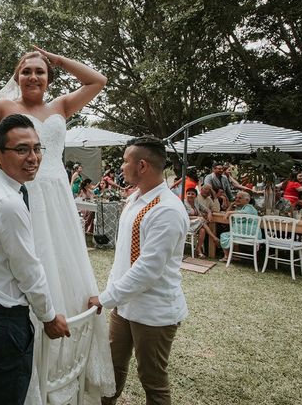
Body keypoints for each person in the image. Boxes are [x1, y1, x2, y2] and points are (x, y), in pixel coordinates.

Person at [0, 47, 115, 403]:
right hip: (22, 197)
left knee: (61, 268)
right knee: (23, 262)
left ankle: (64, 362)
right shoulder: (6, 109)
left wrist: (54, 56)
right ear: (16, 77)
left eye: (40, 71)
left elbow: (98, 80)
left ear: (49, 77)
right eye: (26, 71)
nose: (33, 77)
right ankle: (18, 338)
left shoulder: (61, 107)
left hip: (58, 203)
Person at [0, 114, 70, 404]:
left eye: (36, 148)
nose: (33, 158)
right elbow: (28, 270)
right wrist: (49, 317)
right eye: (21, 150)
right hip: (4, 318)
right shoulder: (8, 203)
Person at [88, 136, 190, 405]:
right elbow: (123, 257)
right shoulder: (135, 199)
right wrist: (114, 297)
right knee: (112, 369)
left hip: (154, 311)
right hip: (124, 307)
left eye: (124, 161)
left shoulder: (167, 209)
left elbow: (147, 269)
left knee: (152, 379)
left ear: (142, 165)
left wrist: (106, 298)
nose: (121, 167)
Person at [218, 191, 260, 262]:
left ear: (247, 200)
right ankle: (235, 256)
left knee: (224, 235)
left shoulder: (249, 207)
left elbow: (244, 213)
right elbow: (226, 214)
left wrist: (229, 212)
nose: (237, 199)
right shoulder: (239, 208)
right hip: (241, 234)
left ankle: (227, 256)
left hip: (249, 234)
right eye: (236, 198)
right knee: (230, 234)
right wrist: (231, 206)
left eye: (239, 198)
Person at [184, 188, 219, 258]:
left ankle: (198, 249)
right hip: (187, 224)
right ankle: (214, 238)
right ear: (186, 195)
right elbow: (184, 216)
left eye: (192, 194)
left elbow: (206, 209)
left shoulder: (196, 202)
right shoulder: (183, 203)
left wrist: (209, 213)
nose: (190, 195)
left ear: (196, 196)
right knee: (202, 220)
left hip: (196, 223)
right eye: (188, 194)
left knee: (202, 230)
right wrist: (197, 218)